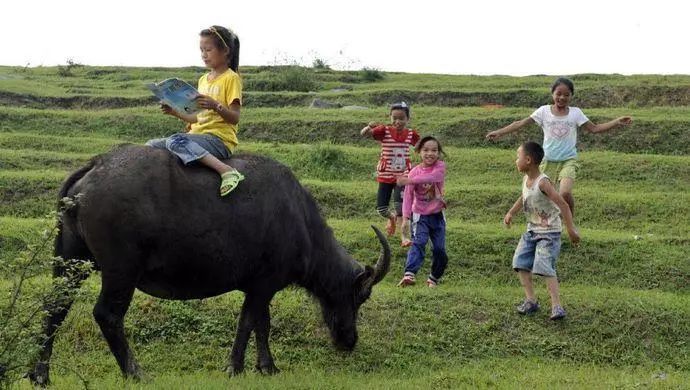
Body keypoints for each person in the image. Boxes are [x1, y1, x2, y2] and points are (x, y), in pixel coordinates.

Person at [485, 77, 632, 215]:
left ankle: (569, 223)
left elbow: (595, 128)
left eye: (566, 95)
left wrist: (617, 121)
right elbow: (520, 123)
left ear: (571, 96)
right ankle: (525, 217)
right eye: (559, 94)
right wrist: (499, 132)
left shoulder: (576, 113)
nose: (562, 98)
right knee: (534, 191)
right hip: (547, 160)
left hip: (568, 160)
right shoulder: (543, 111)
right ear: (552, 94)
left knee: (565, 193)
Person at [147, 25, 244, 196]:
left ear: (226, 51)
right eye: (201, 50)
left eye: (208, 49)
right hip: (197, 136)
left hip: (219, 140)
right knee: (151, 145)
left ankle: (226, 170)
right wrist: (174, 111)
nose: (203, 54)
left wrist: (216, 105)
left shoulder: (231, 78)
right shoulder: (203, 80)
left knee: (175, 141)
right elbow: (196, 119)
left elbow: (235, 118)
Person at [504, 141, 580, 320]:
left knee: (545, 267)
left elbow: (563, 204)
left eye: (518, 157)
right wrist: (511, 212)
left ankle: (556, 306)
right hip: (532, 230)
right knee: (520, 262)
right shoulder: (526, 179)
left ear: (528, 160)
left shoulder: (543, 182)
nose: (516, 160)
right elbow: (523, 197)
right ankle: (531, 300)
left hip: (549, 233)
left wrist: (570, 229)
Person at [360, 102, 420, 244]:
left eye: (401, 118)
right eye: (394, 118)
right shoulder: (384, 131)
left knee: (402, 209)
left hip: (403, 176)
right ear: (390, 117)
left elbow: (420, 146)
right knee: (381, 209)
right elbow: (364, 134)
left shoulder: (411, 134)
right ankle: (391, 218)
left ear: (407, 119)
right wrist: (369, 127)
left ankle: (404, 237)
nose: (397, 121)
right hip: (385, 176)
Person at [396, 136, 448, 288]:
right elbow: (407, 196)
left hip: (437, 215)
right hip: (420, 215)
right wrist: (405, 218)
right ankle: (409, 274)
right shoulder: (414, 172)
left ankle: (433, 277)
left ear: (438, 153)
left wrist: (410, 180)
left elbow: (434, 177)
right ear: (419, 152)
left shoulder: (440, 167)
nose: (430, 153)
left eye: (434, 150)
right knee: (418, 242)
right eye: (425, 150)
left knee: (439, 249)